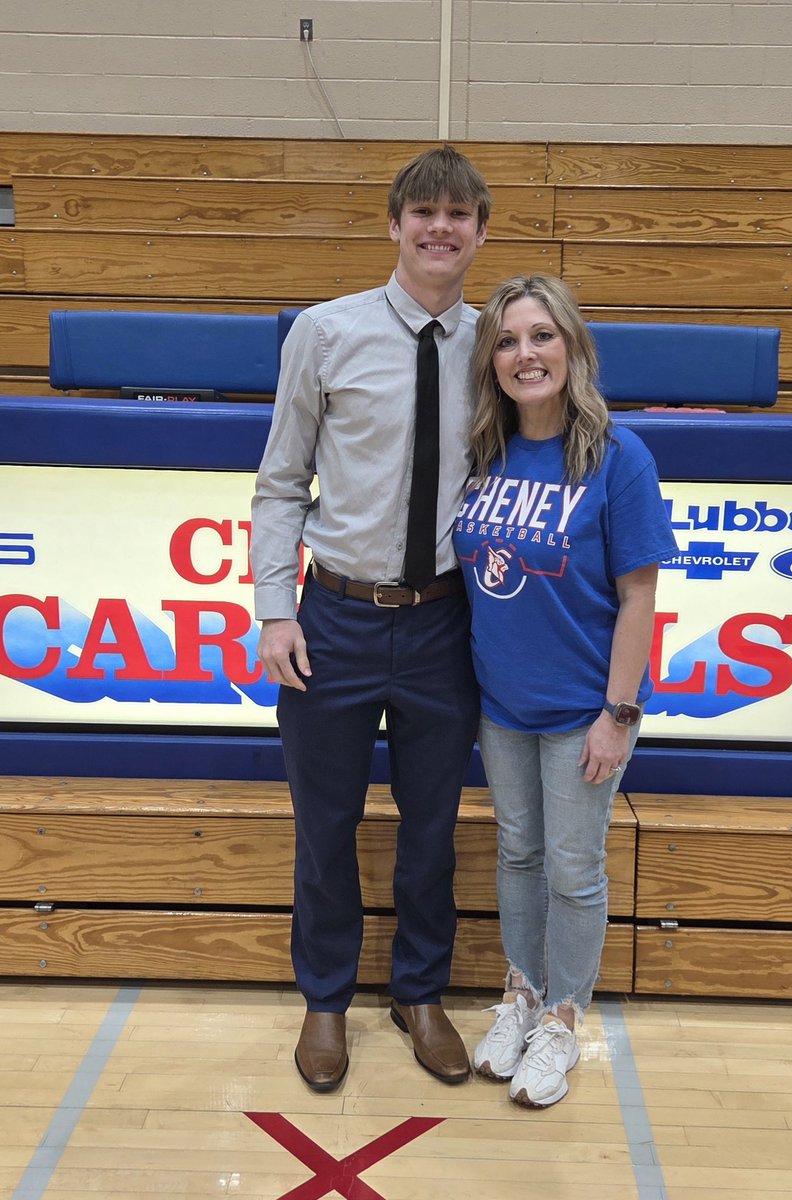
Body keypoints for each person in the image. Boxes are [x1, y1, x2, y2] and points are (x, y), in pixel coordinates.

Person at [251, 146, 491, 1092]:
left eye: (459, 215)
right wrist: (276, 609)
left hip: (445, 624)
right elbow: (280, 481)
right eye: (423, 212)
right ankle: (324, 999)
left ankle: (419, 992)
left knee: (434, 825)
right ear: (393, 226)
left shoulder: (500, 344)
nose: (440, 228)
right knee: (327, 822)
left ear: (479, 232)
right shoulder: (324, 331)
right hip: (337, 619)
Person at [453, 274, 677, 1108]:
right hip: (501, 704)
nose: (525, 354)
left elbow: (639, 595)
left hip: (588, 709)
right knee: (517, 852)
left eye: (542, 336)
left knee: (574, 870)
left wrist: (619, 715)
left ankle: (563, 1020)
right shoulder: (483, 447)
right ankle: (519, 993)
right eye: (508, 341)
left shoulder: (617, 455)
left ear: (573, 346)